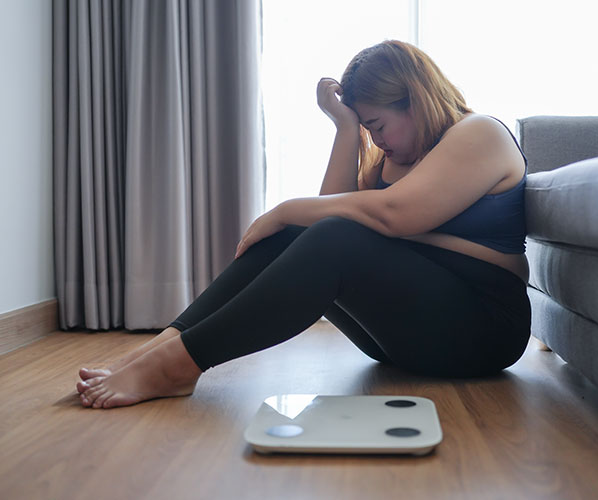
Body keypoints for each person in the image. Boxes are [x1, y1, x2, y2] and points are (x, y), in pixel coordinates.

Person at [76, 40, 531, 409]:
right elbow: (332, 209)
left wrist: (283, 209)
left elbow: (394, 216)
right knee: (306, 232)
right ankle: (164, 345)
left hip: (482, 329)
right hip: (405, 338)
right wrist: (345, 129)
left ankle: (177, 366)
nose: (377, 140)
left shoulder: (479, 134)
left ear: (416, 100)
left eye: (378, 124)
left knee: (326, 231)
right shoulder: (391, 161)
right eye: (368, 129)